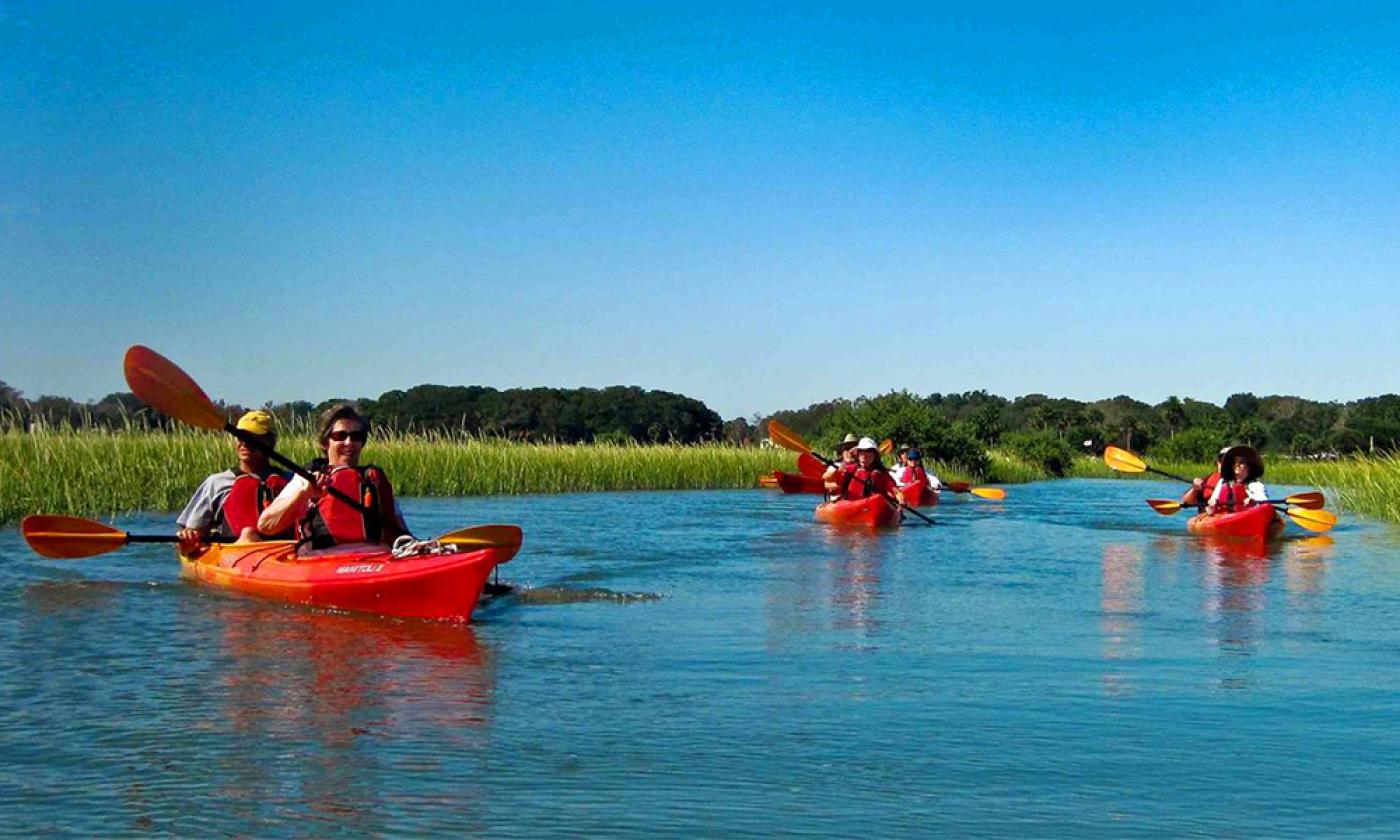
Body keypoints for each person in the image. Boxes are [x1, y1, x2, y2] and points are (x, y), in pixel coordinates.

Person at [257, 403, 410, 549]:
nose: (349, 442)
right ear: (325, 442)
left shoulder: (372, 480)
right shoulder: (307, 478)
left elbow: (401, 530)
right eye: (340, 436)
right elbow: (265, 526)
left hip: (378, 558)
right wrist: (303, 494)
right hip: (322, 560)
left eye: (356, 436)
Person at [177, 410, 292, 551]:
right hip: (236, 554)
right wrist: (188, 540)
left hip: (285, 552)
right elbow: (190, 541)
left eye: (252, 437)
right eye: (240, 437)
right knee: (248, 533)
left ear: (270, 443)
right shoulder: (217, 482)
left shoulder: (292, 481)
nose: (244, 443)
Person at [823, 437, 905, 506]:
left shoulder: (882, 473)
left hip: (875, 505)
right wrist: (837, 472)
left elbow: (896, 491)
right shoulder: (850, 468)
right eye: (861, 451)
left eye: (868, 451)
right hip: (852, 505)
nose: (864, 455)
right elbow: (827, 482)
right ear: (858, 455)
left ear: (875, 455)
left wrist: (901, 500)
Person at [1205, 445, 1268, 515]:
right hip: (1223, 516)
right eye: (1234, 462)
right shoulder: (1223, 482)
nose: (1237, 464)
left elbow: (1263, 501)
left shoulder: (1256, 485)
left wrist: (1253, 501)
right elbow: (1213, 499)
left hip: (1247, 515)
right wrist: (1213, 503)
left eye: (1241, 462)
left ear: (1249, 467)